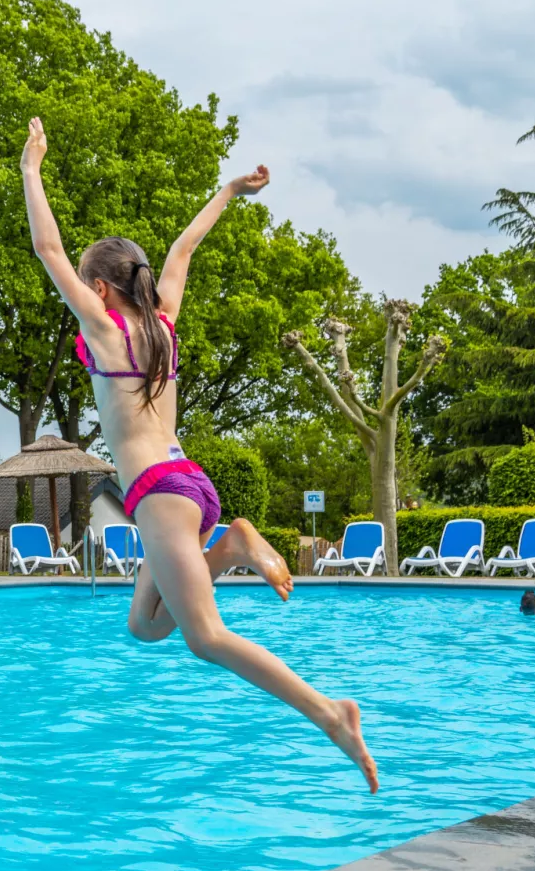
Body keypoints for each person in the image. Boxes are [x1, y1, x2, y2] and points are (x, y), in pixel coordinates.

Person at [20, 117, 378, 793]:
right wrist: (229, 191)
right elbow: (182, 251)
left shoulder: (105, 329)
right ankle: (231, 543)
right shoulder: (163, 323)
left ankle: (331, 713)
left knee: (205, 637)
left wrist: (32, 170)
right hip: (189, 486)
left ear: (99, 289)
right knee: (143, 624)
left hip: (157, 493)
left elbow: (48, 247)